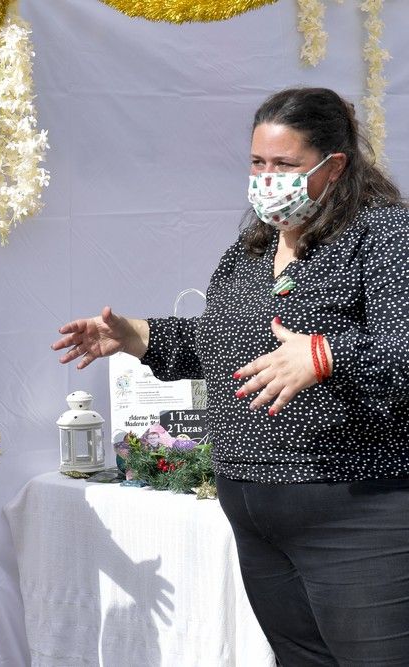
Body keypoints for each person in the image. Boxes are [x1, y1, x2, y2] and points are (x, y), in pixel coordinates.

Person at [52, 87, 409, 664]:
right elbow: (221, 345)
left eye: (286, 165)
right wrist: (137, 336)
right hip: (256, 515)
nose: (268, 178)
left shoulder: (385, 236)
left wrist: (327, 355)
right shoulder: (251, 249)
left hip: (355, 515)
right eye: (258, 163)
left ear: (334, 166)